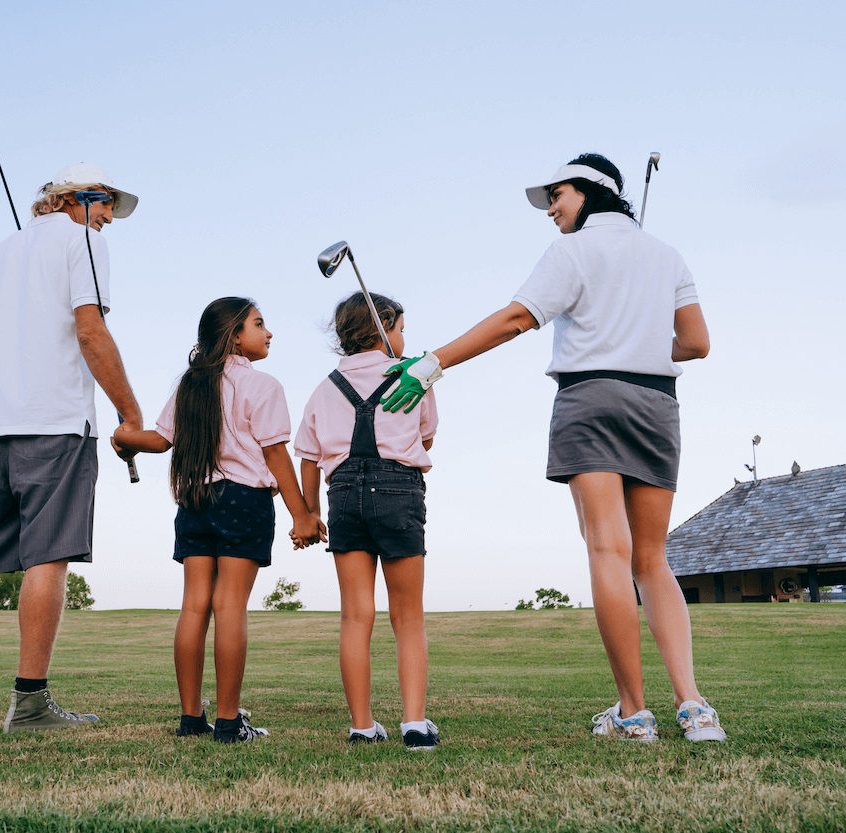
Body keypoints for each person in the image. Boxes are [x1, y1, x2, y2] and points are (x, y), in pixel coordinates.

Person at [381, 154, 726, 743]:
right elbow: (695, 344)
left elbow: (517, 319)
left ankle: (633, 713)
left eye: (557, 196)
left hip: (591, 398)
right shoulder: (667, 255)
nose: (552, 210)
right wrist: (637, 332)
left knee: (608, 552)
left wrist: (433, 363)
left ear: (591, 192)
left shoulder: (571, 252)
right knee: (652, 558)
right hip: (656, 404)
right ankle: (694, 708)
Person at [0, 163, 143, 734]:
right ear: (73, 199)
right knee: (48, 555)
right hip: (55, 422)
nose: (108, 217)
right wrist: (130, 413)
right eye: (104, 203)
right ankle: (29, 705)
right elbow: (90, 332)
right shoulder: (85, 243)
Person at [112, 297, 325, 743]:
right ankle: (228, 723)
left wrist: (126, 440)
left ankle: (191, 719)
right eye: (260, 324)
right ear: (234, 335)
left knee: (194, 607)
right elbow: (274, 453)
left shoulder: (191, 384)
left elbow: (160, 439)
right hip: (244, 499)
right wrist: (302, 514)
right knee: (229, 606)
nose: (268, 333)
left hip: (194, 499)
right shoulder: (263, 385)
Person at [294, 292, 440, 750]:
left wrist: (312, 509)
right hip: (398, 490)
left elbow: (309, 457)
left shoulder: (324, 387)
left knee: (356, 615)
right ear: (387, 326)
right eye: (400, 327)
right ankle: (414, 724)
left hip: (343, 496)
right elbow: (426, 439)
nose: (404, 337)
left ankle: (362, 726)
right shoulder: (414, 378)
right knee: (408, 616)